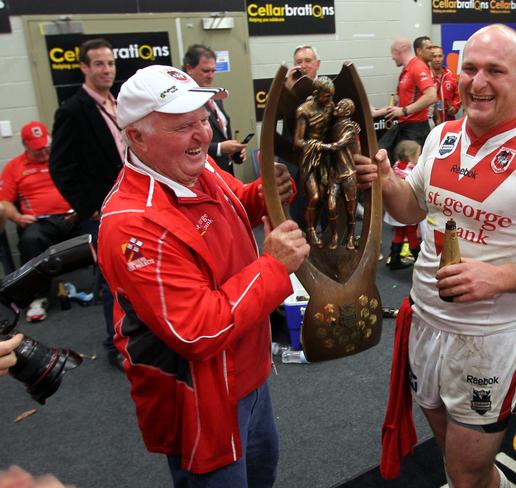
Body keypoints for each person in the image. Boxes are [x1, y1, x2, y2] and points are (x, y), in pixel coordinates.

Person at [355, 24, 516, 487]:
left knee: (468, 469)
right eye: (470, 68)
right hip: (424, 326)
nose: (478, 82)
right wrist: (386, 180)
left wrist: (499, 278)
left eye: (496, 70)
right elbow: (410, 207)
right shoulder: (442, 136)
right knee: (454, 459)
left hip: (488, 341)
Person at [97, 64, 309, 487]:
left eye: (203, 118)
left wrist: (265, 192)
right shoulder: (131, 223)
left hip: (250, 373)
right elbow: (198, 330)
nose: (204, 135)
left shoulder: (195, 167)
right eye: (183, 126)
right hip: (202, 400)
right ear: (136, 137)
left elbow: (229, 210)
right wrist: (274, 265)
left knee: (263, 476)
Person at [49, 38, 123, 369]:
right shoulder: (72, 111)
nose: (106, 69)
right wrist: (91, 207)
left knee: (136, 275)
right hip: (103, 211)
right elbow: (61, 168)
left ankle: (137, 337)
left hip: (132, 205)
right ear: (84, 67)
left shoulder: (118, 102)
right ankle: (115, 346)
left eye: (110, 63)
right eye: (99, 64)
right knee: (113, 281)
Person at [0, 122, 83, 322]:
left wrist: (83, 209)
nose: (44, 152)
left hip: (73, 216)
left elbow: (84, 186)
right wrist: (18, 217)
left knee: (101, 233)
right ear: (25, 145)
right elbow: (5, 202)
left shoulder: (63, 158)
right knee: (30, 240)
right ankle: (39, 297)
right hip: (40, 222)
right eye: (37, 150)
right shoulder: (15, 167)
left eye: (46, 147)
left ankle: (113, 288)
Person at [183, 44, 246, 175]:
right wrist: (219, 148)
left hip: (225, 172)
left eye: (213, 70)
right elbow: (185, 144)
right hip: (203, 174)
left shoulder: (216, 96)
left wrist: (234, 152)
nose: (211, 75)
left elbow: (222, 133)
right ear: (189, 68)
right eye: (206, 71)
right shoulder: (183, 102)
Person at [293, 76, 336, 247]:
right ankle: (310, 229)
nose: (330, 100)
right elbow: (298, 141)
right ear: (317, 94)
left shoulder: (330, 107)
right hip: (310, 158)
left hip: (325, 158)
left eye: (332, 97)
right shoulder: (304, 110)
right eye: (327, 96)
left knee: (325, 194)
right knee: (314, 196)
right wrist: (319, 145)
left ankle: (317, 230)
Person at [378, 37, 436, 161]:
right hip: (404, 126)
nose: (392, 57)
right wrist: (375, 113)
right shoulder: (405, 71)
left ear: (399, 51)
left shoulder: (417, 67)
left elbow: (431, 96)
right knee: (382, 152)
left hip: (416, 129)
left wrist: (404, 111)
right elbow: (398, 104)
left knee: (408, 169)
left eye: (393, 53)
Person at [327, 98, 360, 251]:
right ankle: (334, 235)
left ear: (347, 112)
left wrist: (319, 146)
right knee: (331, 205)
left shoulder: (350, 127)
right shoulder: (332, 125)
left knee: (350, 208)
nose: (337, 106)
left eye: (341, 106)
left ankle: (351, 236)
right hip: (334, 172)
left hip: (348, 172)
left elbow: (339, 145)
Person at [383, 140, 420, 270]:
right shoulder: (414, 170)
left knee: (399, 234)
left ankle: (394, 259)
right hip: (407, 208)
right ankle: (419, 262)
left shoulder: (396, 165)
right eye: (418, 155)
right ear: (411, 156)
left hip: (394, 210)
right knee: (412, 236)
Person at [429, 45, 461, 125]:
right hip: (431, 122)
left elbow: (458, 95)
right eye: (434, 56)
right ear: (430, 58)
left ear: (443, 57)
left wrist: (454, 107)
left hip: (449, 121)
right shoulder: (426, 76)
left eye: (440, 56)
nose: (437, 59)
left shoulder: (451, 76)